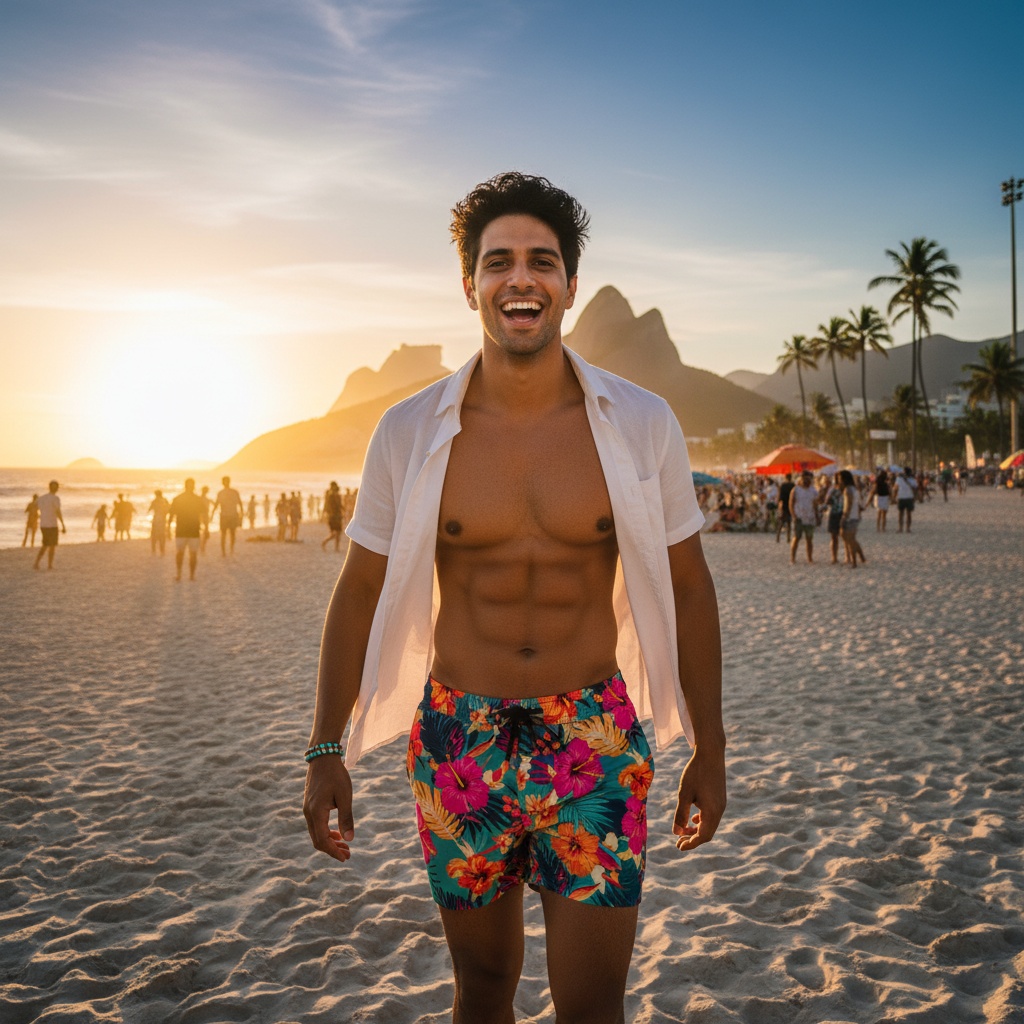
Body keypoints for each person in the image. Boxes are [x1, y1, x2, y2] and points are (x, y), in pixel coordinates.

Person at [302, 172, 726, 1024]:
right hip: (460, 739)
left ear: (569, 285)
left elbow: (689, 584)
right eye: (499, 263)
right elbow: (360, 587)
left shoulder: (640, 422)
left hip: (595, 739)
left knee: (593, 1003)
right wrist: (323, 748)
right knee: (484, 990)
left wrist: (709, 751)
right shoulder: (410, 431)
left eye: (542, 261)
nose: (520, 279)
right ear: (470, 286)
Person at [169, 478, 205, 581]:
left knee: (193, 554)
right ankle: (179, 574)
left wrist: (206, 528)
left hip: (194, 530)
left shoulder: (197, 499)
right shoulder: (178, 499)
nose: (191, 487)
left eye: (192, 485)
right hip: (181, 530)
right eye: (189, 485)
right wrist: (167, 528)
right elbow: (172, 514)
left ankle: (191, 575)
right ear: (186, 486)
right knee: (180, 553)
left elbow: (202, 515)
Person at [33, 480, 66, 569]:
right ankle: (48, 565)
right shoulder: (55, 498)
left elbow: (34, 508)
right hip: (52, 524)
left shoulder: (41, 498)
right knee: (51, 545)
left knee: (46, 544)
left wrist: (39, 517)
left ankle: (38, 563)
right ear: (56, 488)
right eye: (57, 487)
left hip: (43, 524)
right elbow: (58, 512)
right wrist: (63, 524)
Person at [788, 469, 818, 564]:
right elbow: (791, 503)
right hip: (799, 516)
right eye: (805, 479)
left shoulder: (813, 490)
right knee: (796, 538)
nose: (807, 481)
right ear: (801, 479)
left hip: (810, 517)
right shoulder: (796, 490)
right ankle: (793, 558)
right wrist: (793, 515)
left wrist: (817, 516)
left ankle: (810, 558)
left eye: (808, 479)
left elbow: (815, 504)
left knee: (809, 539)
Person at [838, 469, 866, 568]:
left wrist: (844, 516)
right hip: (855, 516)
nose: (839, 480)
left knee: (849, 539)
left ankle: (854, 562)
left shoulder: (848, 490)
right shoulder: (855, 489)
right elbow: (861, 505)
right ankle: (861, 557)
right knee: (851, 539)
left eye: (840, 478)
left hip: (850, 516)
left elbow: (848, 504)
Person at [211, 476, 244, 556]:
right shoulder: (230, 492)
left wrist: (241, 514)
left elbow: (240, 503)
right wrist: (212, 514)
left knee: (230, 534)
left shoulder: (226, 492)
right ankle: (225, 551)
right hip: (227, 515)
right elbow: (217, 504)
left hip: (229, 515)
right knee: (225, 534)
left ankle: (229, 550)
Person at [894, 466, 918, 533]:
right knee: (909, 514)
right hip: (909, 497)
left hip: (901, 497)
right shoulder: (912, 479)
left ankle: (900, 528)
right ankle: (908, 528)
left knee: (900, 514)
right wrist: (915, 497)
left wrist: (894, 497)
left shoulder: (899, 479)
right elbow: (915, 488)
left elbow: (895, 488)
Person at [322, 481, 344, 552]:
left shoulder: (337, 496)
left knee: (338, 533)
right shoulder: (330, 496)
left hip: (337, 516)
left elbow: (340, 506)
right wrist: (325, 514)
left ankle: (336, 548)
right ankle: (325, 542)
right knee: (334, 533)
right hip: (333, 517)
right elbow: (327, 506)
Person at [149, 490, 171, 555]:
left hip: (156, 519)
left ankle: (154, 549)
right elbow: (169, 509)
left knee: (154, 535)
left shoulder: (155, 501)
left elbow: (150, 509)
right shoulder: (165, 500)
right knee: (162, 535)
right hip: (162, 520)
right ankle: (162, 550)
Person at [775, 473, 794, 544]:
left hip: (784, 505)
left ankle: (778, 537)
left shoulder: (783, 486)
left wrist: (779, 505)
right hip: (790, 505)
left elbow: (780, 497)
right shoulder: (793, 485)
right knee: (789, 522)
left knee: (781, 522)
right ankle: (788, 538)